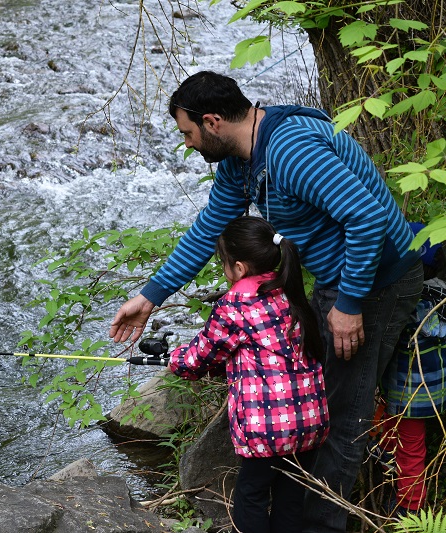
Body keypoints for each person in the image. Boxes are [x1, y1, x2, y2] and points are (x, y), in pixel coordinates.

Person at [109, 71, 424, 533]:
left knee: (339, 418)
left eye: (188, 133)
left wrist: (351, 304)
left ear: (212, 121)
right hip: (341, 281)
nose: (189, 144)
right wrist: (149, 297)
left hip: (377, 281)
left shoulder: (290, 150)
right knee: (319, 406)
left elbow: (366, 218)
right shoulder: (243, 159)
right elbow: (210, 228)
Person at [169, 216, 329, 533]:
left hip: (268, 429)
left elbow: (195, 361)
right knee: (290, 497)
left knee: (250, 497)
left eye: (224, 264)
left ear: (239, 268)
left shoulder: (234, 305)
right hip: (310, 421)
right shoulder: (289, 291)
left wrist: (172, 357)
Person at [372, 225, 446, 516]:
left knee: (410, 449)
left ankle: (411, 509)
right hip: (431, 393)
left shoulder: (410, 306)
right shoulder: (440, 302)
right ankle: (397, 480)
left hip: (410, 395)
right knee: (404, 441)